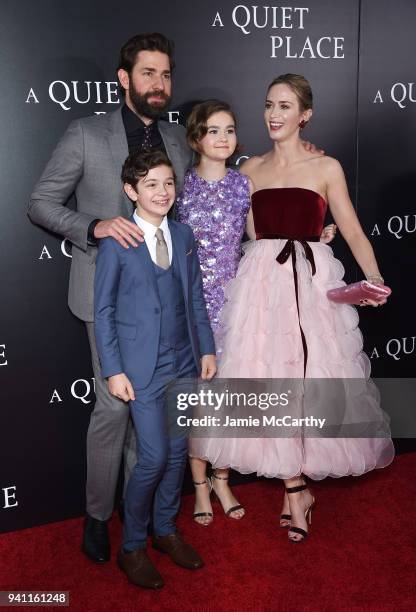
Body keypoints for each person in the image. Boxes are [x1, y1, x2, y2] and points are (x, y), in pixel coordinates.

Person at [195, 74, 394, 543]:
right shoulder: (248, 173)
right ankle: (296, 488)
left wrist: (376, 279)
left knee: (309, 382)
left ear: (304, 115)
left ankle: (296, 493)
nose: (274, 114)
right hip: (262, 288)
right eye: (268, 104)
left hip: (309, 287)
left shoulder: (327, 166)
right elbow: (244, 237)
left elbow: (353, 229)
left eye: (285, 106)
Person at [27, 33, 192, 563]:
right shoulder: (85, 134)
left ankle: (136, 516)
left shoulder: (180, 140)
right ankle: (98, 516)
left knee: (152, 408)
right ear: (124, 80)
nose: (158, 84)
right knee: (113, 408)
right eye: (148, 74)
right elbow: (41, 203)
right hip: (107, 295)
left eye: (165, 75)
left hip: (164, 305)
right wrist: (94, 225)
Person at [176, 99, 336, 526]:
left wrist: (315, 232)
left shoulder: (241, 182)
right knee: (198, 396)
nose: (224, 138)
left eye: (230, 130)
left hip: (234, 299)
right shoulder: (180, 184)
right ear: (196, 138)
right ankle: (199, 485)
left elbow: (263, 232)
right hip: (189, 302)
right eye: (214, 131)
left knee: (224, 396)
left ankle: (222, 477)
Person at [94, 149, 216, 588]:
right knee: (153, 457)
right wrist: (114, 369)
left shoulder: (183, 236)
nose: (162, 192)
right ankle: (132, 547)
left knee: (178, 454)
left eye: (168, 182)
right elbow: (104, 310)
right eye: (151, 184)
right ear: (131, 191)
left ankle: (165, 531)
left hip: (184, 359)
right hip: (141, 367)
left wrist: (207, 348)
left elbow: (196, 298)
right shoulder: (117, 242)